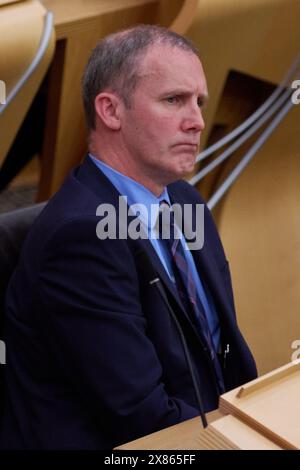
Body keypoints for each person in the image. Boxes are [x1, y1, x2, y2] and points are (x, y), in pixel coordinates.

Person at [0, 25, 257, 450]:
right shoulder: (80, 240)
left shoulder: (186, 201)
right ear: (111, 111)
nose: (196, 122)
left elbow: (226, 357)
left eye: (199, 102)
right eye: (173, 100)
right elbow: (145, 423)